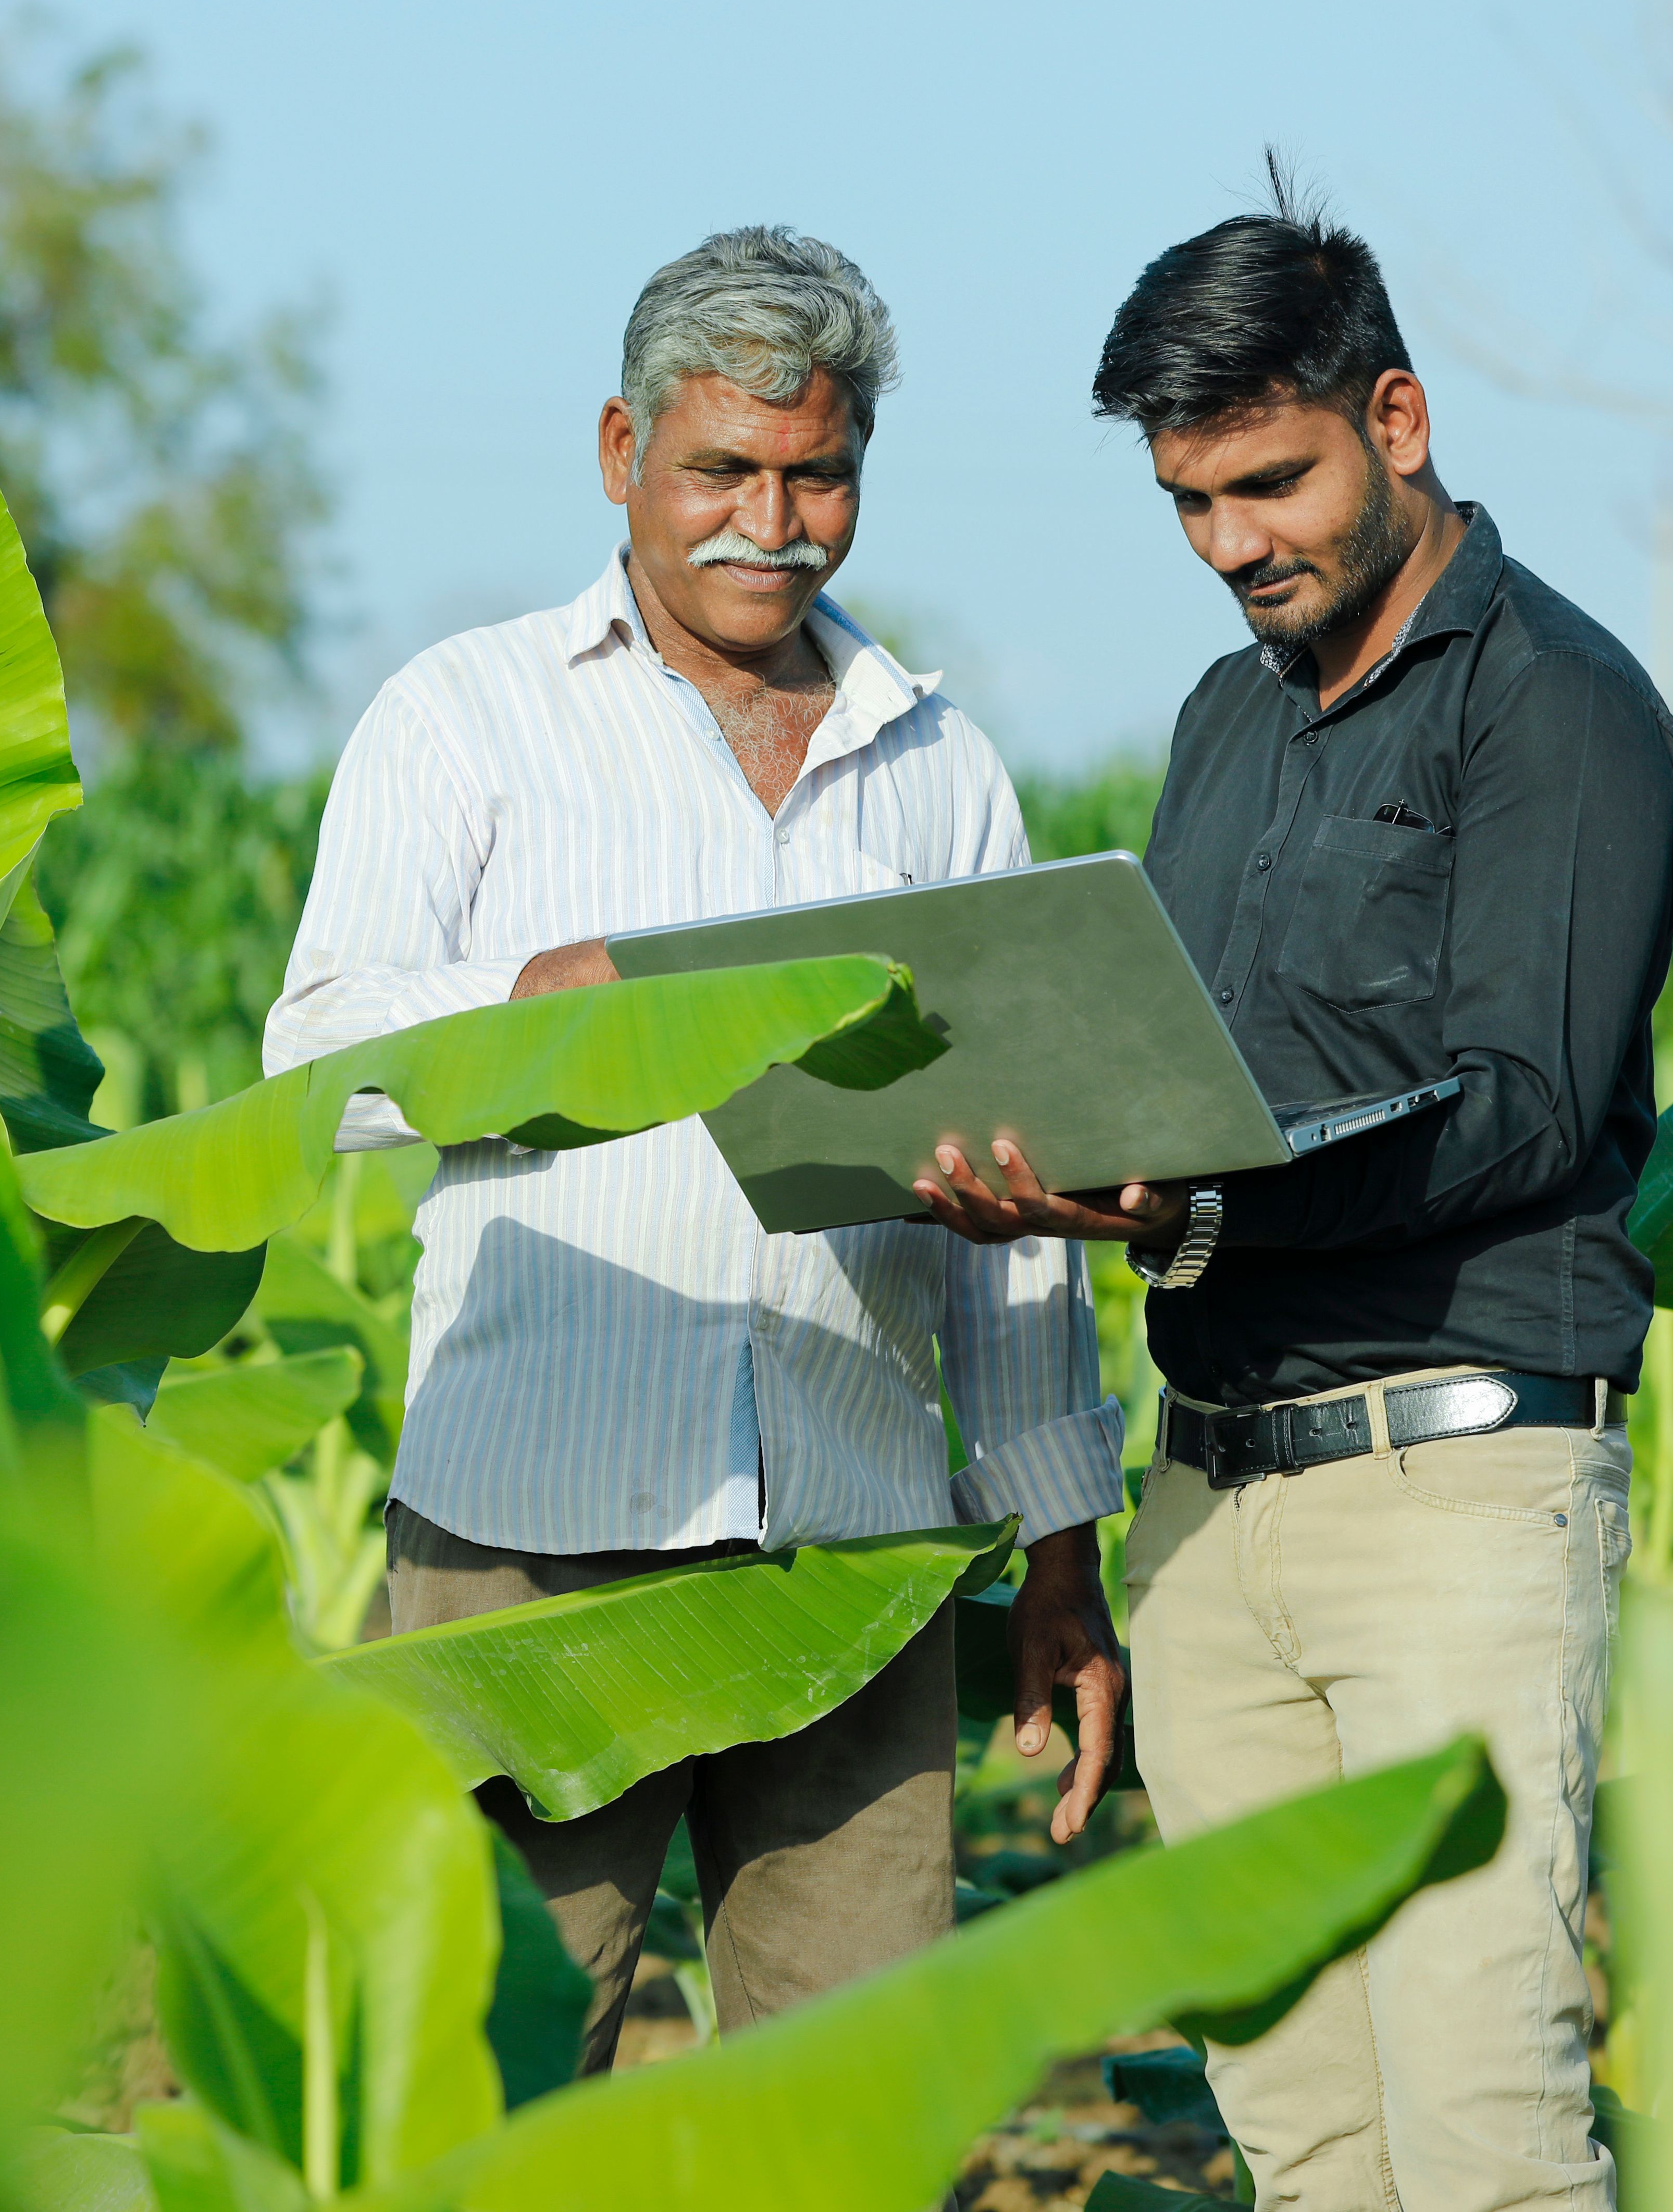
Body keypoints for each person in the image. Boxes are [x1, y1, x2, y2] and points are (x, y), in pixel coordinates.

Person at [912, 172, 1673, 2212]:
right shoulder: (1226, 720)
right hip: (1210, 1501)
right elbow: (1197, 1080)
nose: (1231, 547)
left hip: (1455, 1490)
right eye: (1190, 505)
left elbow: (1520, 1110)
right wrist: (1048, 1148)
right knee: (1303, 2137)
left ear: (1401, 420)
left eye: (1267, 485)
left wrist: (1176, 1205)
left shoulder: (1560, 709)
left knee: (1485, 2132)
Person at [265, 227, 1129, 2076]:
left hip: (860, 1541)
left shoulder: (939, 762)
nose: (774, 518)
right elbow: (314, 1067)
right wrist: (538, 997)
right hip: (535, 1541)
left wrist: (1061, 1548)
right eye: (723, 468)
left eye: (817, 473)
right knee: (486, 2085)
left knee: (853, 2104)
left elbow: (1023, 1208)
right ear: (620, 456)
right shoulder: (466, 716)